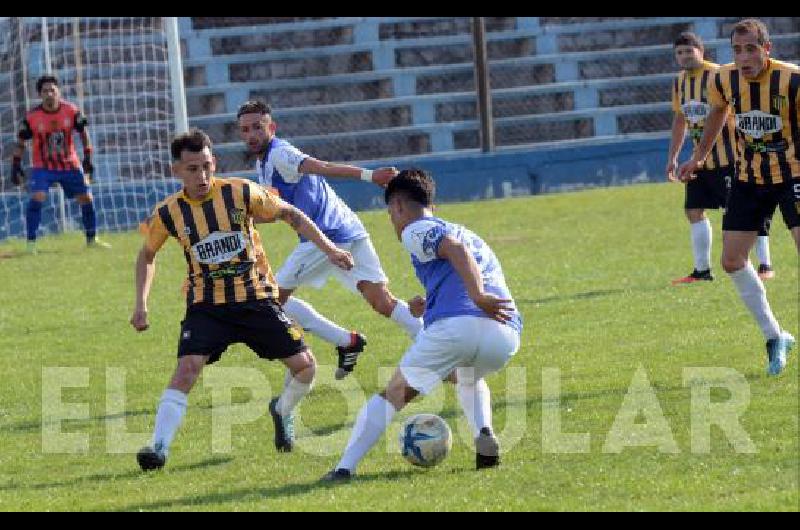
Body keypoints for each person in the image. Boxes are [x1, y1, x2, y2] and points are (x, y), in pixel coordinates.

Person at [131, 129, 354, 470]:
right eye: (192, 169)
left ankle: (282, 411)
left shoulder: (241, 191)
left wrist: (330, 248)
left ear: (214, 162)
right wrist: (141, 304)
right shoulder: (167, 213)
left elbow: (291, 214)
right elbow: (146, 255)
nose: (202, 175)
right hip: (207, 307)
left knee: (306, 368)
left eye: (206, 166)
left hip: (256, 300)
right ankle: (157, 449)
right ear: (176, 170)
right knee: (186, 370)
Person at [321, 168, 523, 482]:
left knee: (393, 395)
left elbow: (455, 252)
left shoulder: (415, 229)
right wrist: (429, 304)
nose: (392, 221)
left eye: (390, 213)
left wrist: (477, 295)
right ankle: (484, 434)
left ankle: (343, 468)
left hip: (461, 326)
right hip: (504, 335)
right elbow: (460, 264)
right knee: (466, 377)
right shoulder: (465, 231)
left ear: (399, 206)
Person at [237, 100, 423, 381]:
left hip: (325, 238)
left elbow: (321, 167)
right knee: (381, 301)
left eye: (258, 127)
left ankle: (328, 352)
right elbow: (279, 212)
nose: (252, 134)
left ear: (271, 128)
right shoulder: (264, 164)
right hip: (349, 230)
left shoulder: (280, 154)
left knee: (271, 301)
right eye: (245, 129)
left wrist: (370, 175)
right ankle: (430, 341)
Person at [677, 19, 797, 376]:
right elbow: (717, 113)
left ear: (767, 49)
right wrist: (698, 157)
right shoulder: (724, 79)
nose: (743, 57)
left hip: (794, 173)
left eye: (750, 48)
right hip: (749, 177)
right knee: (731, 261)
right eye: (737, 49)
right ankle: (775, 336)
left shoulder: (792, 79)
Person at [666, 31, 774, 284]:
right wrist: (673, 156)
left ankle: (764, 264)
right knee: (693, 210)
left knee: (741, 211)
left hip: (731, 157)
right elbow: (680, 119)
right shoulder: (679, 82)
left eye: (688, 51)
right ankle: (702, 270)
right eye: (679, 53)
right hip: (698, 160)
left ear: (701, 51)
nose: (683, 57)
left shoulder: (721, 74)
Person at [11, 74, 109, 252]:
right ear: (40, 95)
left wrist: (87, 157)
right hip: (43, 166)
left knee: (86, 198)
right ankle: (31, 244)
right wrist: (16, 164)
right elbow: (21, 142)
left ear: (58, 92)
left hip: (69, 164)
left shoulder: (71, 111)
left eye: (52, 90)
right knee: (38, 196)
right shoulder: (32, 117)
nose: (49, 93)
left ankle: (92, 239)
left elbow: (84, 134)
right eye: (45, 91)